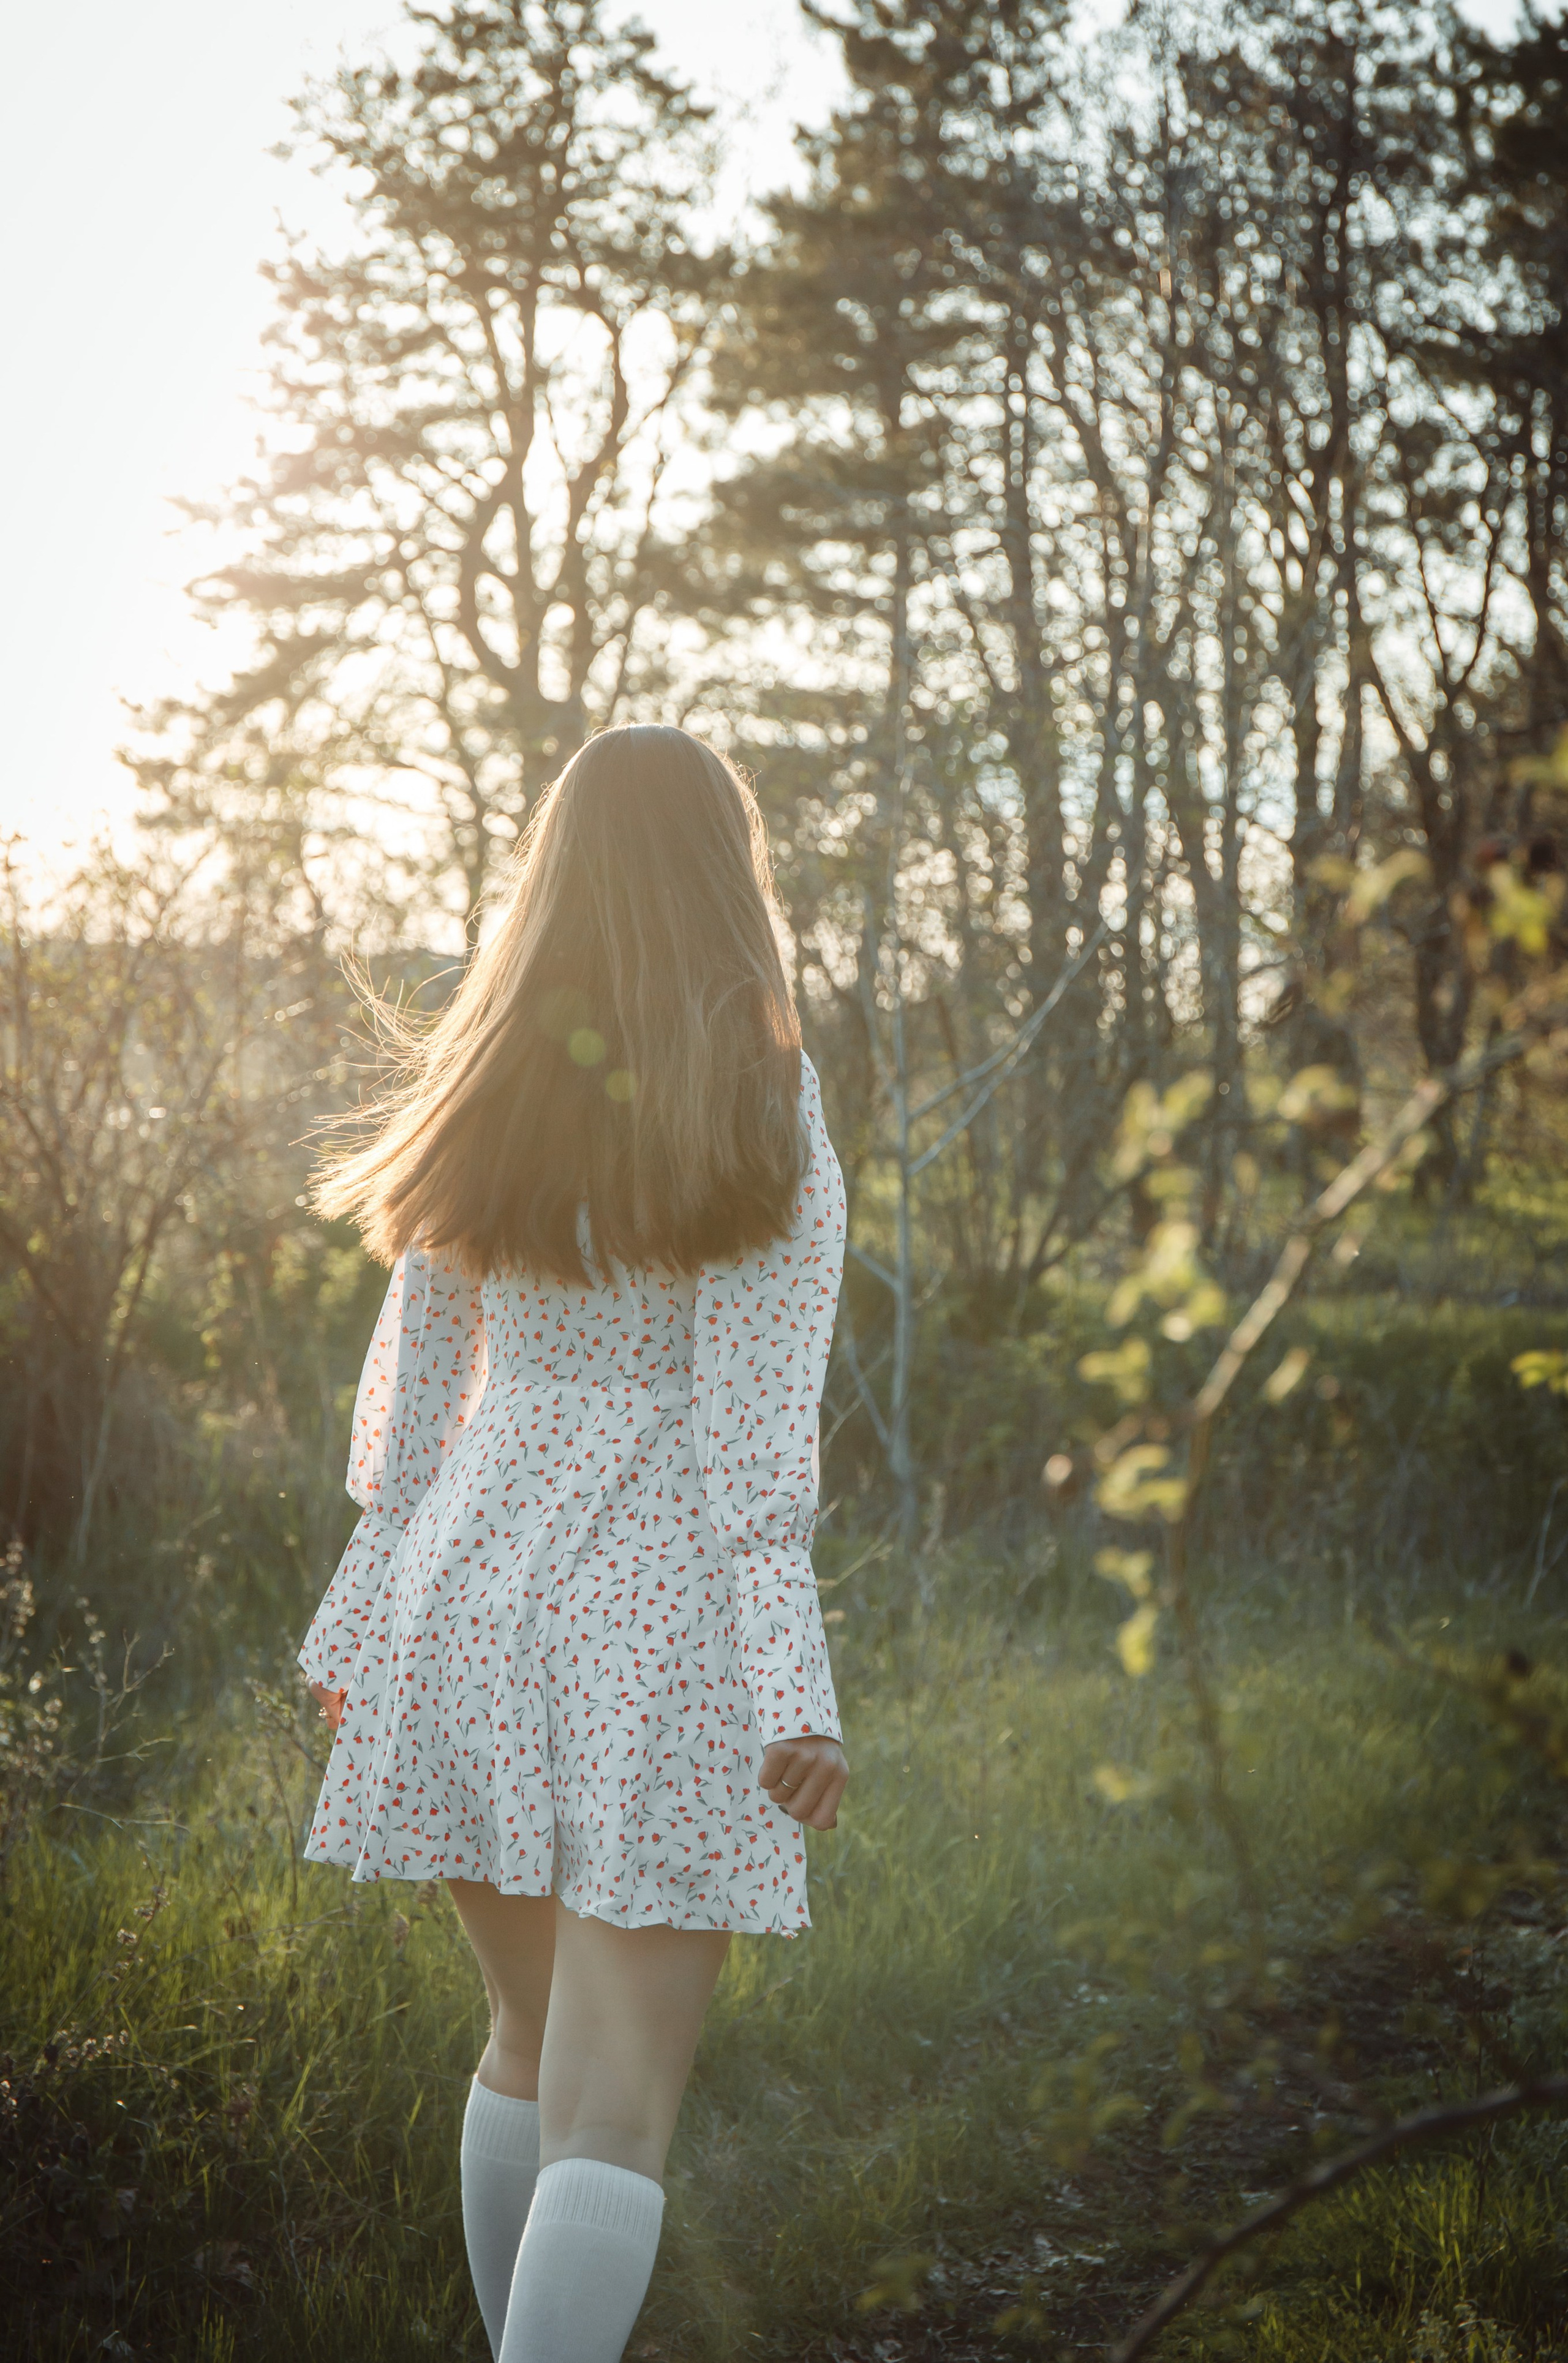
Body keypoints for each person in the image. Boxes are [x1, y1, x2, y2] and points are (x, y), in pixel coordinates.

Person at [295, 725, 850, 2363]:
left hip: (466, 1581)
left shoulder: (494, 1072)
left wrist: (359, 1612)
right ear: (722, 870)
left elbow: (407, 1399)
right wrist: (789, 1678)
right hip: (656, 1597)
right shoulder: (762, 1084)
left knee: (527, 2042)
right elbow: (754, 1437)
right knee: (615, 2111)